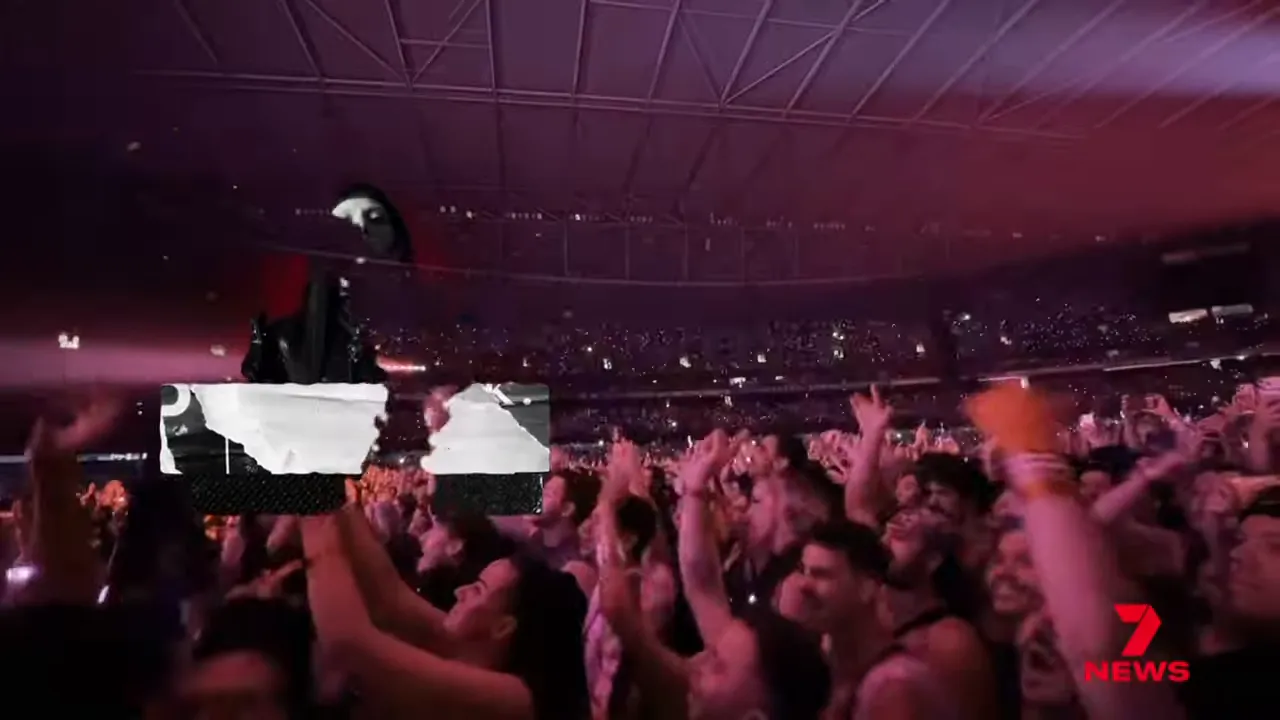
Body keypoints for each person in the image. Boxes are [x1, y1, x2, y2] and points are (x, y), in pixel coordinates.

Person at [302, 506, 590, 719]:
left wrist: (315, 520)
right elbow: (388, 599)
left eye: (478, 589)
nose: (459, 592)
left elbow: (347, 642)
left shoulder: (519, 700)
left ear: (503, 627)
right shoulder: (477, 646)